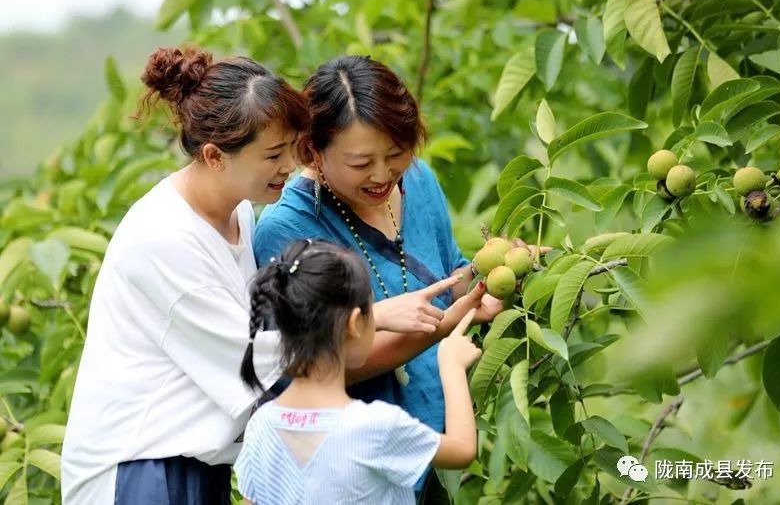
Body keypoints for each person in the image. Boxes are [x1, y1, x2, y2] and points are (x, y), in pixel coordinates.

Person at [252, 55, 515, 494]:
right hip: (354, 471)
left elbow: (448, 273)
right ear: (313, 151)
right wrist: (445, 328)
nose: (382, 175)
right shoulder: (286, 229)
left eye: (396, 153)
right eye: (359, 163)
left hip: (432, 441)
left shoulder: (418, 179)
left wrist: (490, 272)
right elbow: (308, 363)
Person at [61, 46, 311, 504]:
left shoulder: (240, 213)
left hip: (196, 465)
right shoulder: (164, 238)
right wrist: (378, 322)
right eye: (274, 154)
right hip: (141, 470)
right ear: (215, 156)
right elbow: (260, 363)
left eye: (292, 148)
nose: (290, 166)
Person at [234, 239, 481, 504]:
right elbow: (462, 449)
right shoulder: (375, 427)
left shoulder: (262, 425)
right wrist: (451, 365)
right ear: (355, 323)